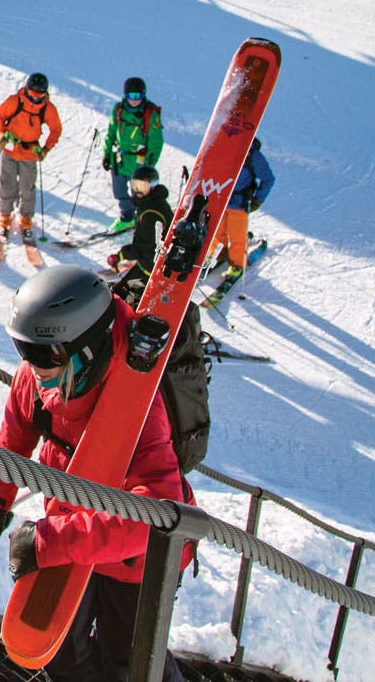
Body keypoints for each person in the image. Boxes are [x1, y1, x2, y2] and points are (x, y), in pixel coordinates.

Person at [0, 269, 191, 682]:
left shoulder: (139, 406)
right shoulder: (39, 375)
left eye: (47, 354)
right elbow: (16, 430)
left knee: (129, 662)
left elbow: (153, 519)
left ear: (88, 348)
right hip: (71, 529)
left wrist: (49, 542)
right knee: (60, 652)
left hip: (134, 561)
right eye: (24, 349)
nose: (33, 365)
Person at [108, 167, 211, 474]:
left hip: (150, 277)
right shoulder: (154, 206)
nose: (137, 189)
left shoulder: (151, 210)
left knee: (121, 302)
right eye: (136, 183)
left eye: (143, 184)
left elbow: (144, 250)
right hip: (152, 274)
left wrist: (123, 256)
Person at [0, 72, 63, 259]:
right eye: (32, 94)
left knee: (27, 187)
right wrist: (1, 134)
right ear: (27, 90)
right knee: (7, 183)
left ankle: (26, 218)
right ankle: (5, 215)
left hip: (30, 153)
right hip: (10, 149)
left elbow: (56, 129)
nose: (36, 98)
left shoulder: (47, 108)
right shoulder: (15, 101)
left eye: (40, 95)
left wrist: (46, 148)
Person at [101, 77, 164, 233]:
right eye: (131, 96)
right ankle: (127, 217)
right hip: (121, 159)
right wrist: (106, 154)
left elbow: (156, 142)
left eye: (138, 96)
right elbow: (111, 132)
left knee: (140, 193)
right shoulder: (119, 109)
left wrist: (149, 165)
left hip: (139, 161)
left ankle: (143, 218)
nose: (134, 100)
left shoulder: (150, 114)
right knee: (119, 191)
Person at [213, 139, 275, 279]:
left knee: (237, 236)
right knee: (217, 231)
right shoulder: (224, 145)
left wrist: (258, 199)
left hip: (238, 203)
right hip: (219, 199)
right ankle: (221, 252)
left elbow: (268, 179)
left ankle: (237, 265)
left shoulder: (252, 155)